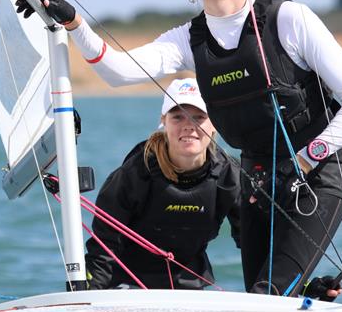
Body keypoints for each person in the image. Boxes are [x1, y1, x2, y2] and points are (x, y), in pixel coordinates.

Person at [16, 0, 342, 300]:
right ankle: (305, 298)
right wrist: (74, 23)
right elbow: (119, 72)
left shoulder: (290, 20)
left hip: (317, 173)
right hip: (258, 178)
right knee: (267, 296)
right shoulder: (189, 39)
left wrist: (305, 160)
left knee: (267, 294)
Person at [83, 78, 240, 290]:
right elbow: (103, 247)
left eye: (198, 118)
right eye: (178, 117)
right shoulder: (135, 173)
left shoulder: (229, 176)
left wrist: (266, 293)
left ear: (214, 123)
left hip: (189, 288)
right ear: (163, 121)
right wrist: (90, 298)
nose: (189, 126)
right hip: (124, 287)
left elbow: (253, 240)